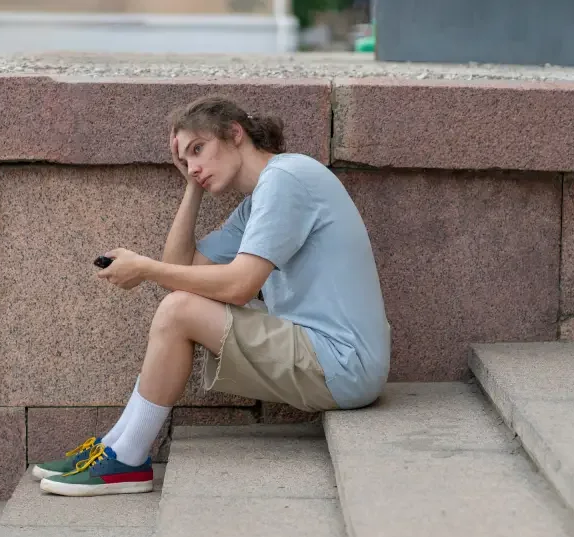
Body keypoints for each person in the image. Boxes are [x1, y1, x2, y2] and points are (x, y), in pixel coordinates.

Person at [33, 96, 391, 497]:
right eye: (185, 161)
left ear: (234, 134)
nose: (195, 166)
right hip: (327, 354)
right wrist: (191, 187)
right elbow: (183, 270)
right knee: (180, 305)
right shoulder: (258, 200)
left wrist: (145, 267)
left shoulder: (286, 179)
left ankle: (126, 457)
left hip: (343, 362)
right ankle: (115, 445)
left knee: (179, 311)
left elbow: (237, 285)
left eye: (198, 150)